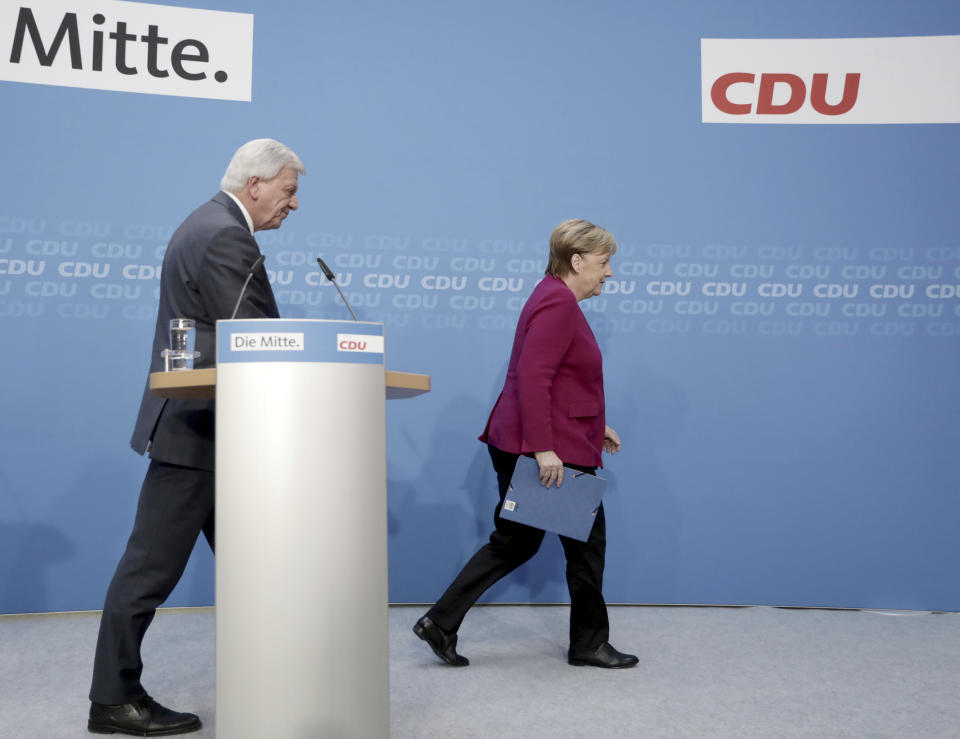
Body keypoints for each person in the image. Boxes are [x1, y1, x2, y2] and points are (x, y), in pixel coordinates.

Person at [88, 139, 306, 736]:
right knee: (149, 569)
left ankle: (278, 680)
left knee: (254, 566)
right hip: (198, 433)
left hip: (211, 430)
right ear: (255, 184)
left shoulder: (205, 224)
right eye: (288, 191)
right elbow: (262, 337)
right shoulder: (226, 235)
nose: (293, 205)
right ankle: (112, 698)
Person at [414, 218, 637, 669]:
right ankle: (590, 643)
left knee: (516, 542)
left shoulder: (552, 296)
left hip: (547, 440)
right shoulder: (558, 304)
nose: (609, 272)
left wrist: (597, 427)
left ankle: (441, 622)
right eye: (604, 262)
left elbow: (559, 383)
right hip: (547, 448)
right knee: (586, 547)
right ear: (576, 261)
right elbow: (534, 378)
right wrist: (543, 448)